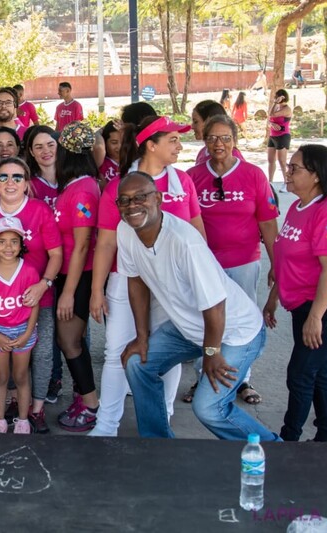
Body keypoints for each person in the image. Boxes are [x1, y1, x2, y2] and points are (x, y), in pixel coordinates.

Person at [117, 172, 280, 442]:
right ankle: (157, 442)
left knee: (209, 409)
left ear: (157, 198)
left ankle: (275, 450)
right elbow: (135, 281)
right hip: (190, 329)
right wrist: (142, 337)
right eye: (124, 200)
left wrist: (211, 354)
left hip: (235, 331)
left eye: (140, 197)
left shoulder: (185, 241)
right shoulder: (126, 230)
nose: (132, 205)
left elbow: (216, 306)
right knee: (137, 362)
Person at [89, 116, 205, 437]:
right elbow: (107, 242)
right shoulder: (120, 186)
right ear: (151, 145)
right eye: (173, 140)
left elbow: (197, 232)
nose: (179, 146)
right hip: (125, 281)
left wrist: (200, 279)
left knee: (164, 354)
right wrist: (97, 289)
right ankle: (106, 425)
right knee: (117, 353)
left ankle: (161, 419)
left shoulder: (184, 182)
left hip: (174, 285)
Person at [185, 115, 278, 405]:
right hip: (204, 264)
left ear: (235, 141)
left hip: (244, 261)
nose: (218, 144)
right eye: (212, 138)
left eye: (225, 137)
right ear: (204, 142)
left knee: (242, 321)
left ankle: (241, 381)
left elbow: (268, 224)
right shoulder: (193, 176)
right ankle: (203, 376)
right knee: (205, 319)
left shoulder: (253, 175)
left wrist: (277, 263)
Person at [0, 157, 62, 433]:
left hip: (37, 297)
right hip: (0, 306)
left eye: (17, 177)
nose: (10, 183)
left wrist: (43, 284)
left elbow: (56, 254)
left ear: (27, 182)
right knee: (4, 358)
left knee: (42, 354)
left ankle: (36, 409)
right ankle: (10, 405)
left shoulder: (40, 210)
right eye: (4, 177)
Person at [264, 145, 327, 441]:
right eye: (289, 167)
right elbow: (286, 258)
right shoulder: (297, 207)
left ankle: (288, 439)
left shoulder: (326, 210)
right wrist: (273, 298)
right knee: (318, 372)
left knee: (300, 374)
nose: (287, 172)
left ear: (316, 176)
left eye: (295, 168)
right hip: (301, 306)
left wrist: (316, 317)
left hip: (322, 307)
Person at [52, 122, 101, 431]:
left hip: (78, 276)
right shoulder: (75, 186)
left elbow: (83, 244)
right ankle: (85, 397)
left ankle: (91, 404)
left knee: (69, 341)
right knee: (71, 340)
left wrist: (68, 292)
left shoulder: (83, 190)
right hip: (71, 274)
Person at [0, 217, 38, 434]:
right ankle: (0, 419)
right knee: (1, 376)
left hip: (23, 330)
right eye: (2, 241)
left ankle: (22, 420)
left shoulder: (29, 270)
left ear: (22, 244)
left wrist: (28, 332)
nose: (8, 247)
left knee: (21, 376)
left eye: (14, 241)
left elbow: (34, 304)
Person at [191, 100, 245, 166]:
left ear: (209, 122)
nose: (192, 127)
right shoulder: (203, 152)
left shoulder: (232, 155)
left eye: (196, 122)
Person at [25, 125, 62, 210]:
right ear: (31, 152)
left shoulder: (71, 180)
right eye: (39, 147)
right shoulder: (28, 186)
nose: (46, 151)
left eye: (50, 145)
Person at [268, 89, 293, 192]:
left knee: (282, 161)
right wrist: (271, 124)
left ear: (283, 97)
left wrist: (275, 103)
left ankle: (286, 182)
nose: (276, 98)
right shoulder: (276, 107)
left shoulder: (287, 109)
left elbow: (272, 114)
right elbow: (269, 117)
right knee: (271, 160)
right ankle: (270, 183)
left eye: (278, 97)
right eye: (275, 97)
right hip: (273, 136)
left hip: (283, 136)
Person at [97, 121, 122, 190]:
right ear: (105, 142)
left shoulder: (133, 162)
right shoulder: (100, 163)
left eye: (124, 142)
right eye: (114, 143)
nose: (119, 147)